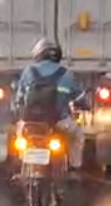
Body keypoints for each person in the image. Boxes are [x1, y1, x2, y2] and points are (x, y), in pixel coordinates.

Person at [12, 38, 86, 169]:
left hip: (30, 122)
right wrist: (85, 105)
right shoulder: (66, 74)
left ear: (38, 54)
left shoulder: (29, 71)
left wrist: (17, 111)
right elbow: (80, 97)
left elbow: (19, 98)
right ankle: (75, 167)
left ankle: (22, 162)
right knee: (77, 134)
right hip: (58, 121)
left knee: (20, 133)